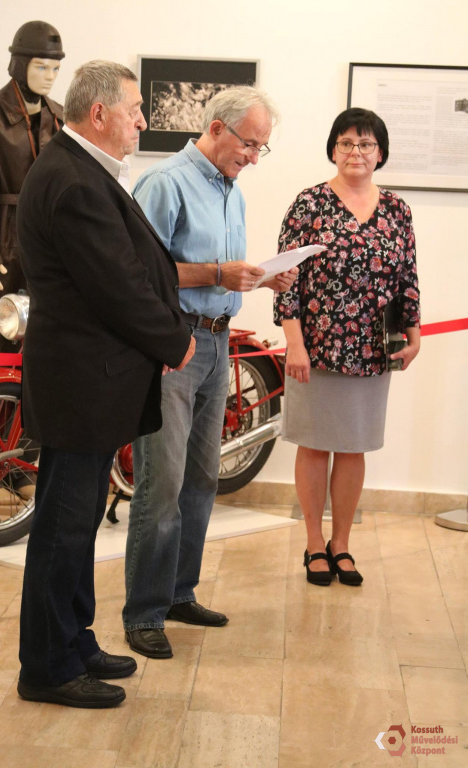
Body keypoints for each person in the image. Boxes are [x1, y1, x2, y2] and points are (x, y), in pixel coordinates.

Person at [16, 60, 195, 708]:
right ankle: (48, 667)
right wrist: (173, 339)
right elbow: (117, 286)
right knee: (63, 530)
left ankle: (74, 641)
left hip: (87, 384)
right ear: (98, 114)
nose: (142, 121)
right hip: (79, 387)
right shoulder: (73, 180)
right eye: (134, 109)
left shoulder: (80, 169)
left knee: (78, 523)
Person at [123, 86, 297, 659]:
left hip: (219, 345)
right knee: (162, 482)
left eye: (262, 147)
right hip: (174, 344)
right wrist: (220, 274)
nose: (254, 157)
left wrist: (261, 279)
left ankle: (179, 593)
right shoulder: (165, 182)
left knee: (201, 479)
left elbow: (222, 273)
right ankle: (144, 612)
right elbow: (140, 273)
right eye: (250, 144)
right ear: (217, 128)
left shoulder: (231, 191)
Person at [274, 107, 421, 587]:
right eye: (346, 143)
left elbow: (407, 278)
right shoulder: (309, 204)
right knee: (315, 445)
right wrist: (294, 344)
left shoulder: (397, 210)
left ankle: (342, 544)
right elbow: (286, 280)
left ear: (380, 153)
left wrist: (414, 334)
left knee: (354, 447)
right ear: (333, 149)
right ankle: (314, 542)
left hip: (374, 349)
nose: (356, 152)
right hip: (316, 348)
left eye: (366, 144)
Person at [0, 20, 65, 353]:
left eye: (55, 68)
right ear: (20, 64)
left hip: (50, 250)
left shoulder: (60, 118)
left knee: (46, 347)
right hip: (2, 246)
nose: (50, 76)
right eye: (41, 66)